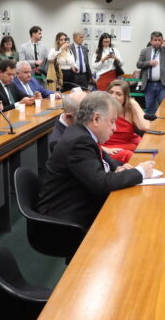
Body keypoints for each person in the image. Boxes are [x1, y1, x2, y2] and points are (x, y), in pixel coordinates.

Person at [36, 91, 153, 229]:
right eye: (112, 122)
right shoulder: (79, 141)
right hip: (64, 222)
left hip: (80, 204)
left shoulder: (82, 134)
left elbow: (100, 169)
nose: (114, 128)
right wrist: (140, 172)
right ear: (96, 119)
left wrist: (118, 170)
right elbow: (101, 183)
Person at [102, 79, 151, 162]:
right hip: (107, 149)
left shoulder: (129, 110)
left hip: (127, 145)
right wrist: (104, 149)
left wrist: (134, 103)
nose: (113, 96)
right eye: (111, 92)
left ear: (125, 97)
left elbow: (146, 126)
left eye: (118, 94)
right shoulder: (100, 109)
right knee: (129, 155)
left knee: (149, 148)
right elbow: (88, 137)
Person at [136, 31, 165, 115]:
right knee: (150, 108)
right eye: (155, 40)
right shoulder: (145, 51)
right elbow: (138, 64)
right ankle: (151, 123)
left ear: (162, 41)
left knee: (163, 108)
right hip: (149, 85)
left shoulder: (164, 50)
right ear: (151, 41)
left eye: (159, 40)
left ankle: (162, 123)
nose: (157, 42)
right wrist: (149, 63)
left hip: (162, 85)